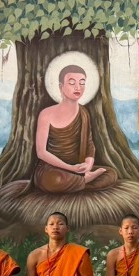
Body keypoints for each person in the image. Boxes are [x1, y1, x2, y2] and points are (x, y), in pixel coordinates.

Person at [32, 64, 117, 193]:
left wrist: (88, 165)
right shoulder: (46, 114)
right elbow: (41, 152)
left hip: (78, 167)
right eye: (72, 83)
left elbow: (89, 145)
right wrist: (70, 168)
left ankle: (81, 181)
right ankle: (83, 181)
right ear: (61, 87)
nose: (78, 87)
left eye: (82, 83)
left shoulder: (84, 113)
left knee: (111, 174)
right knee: (54, 180)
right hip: (52, 168)